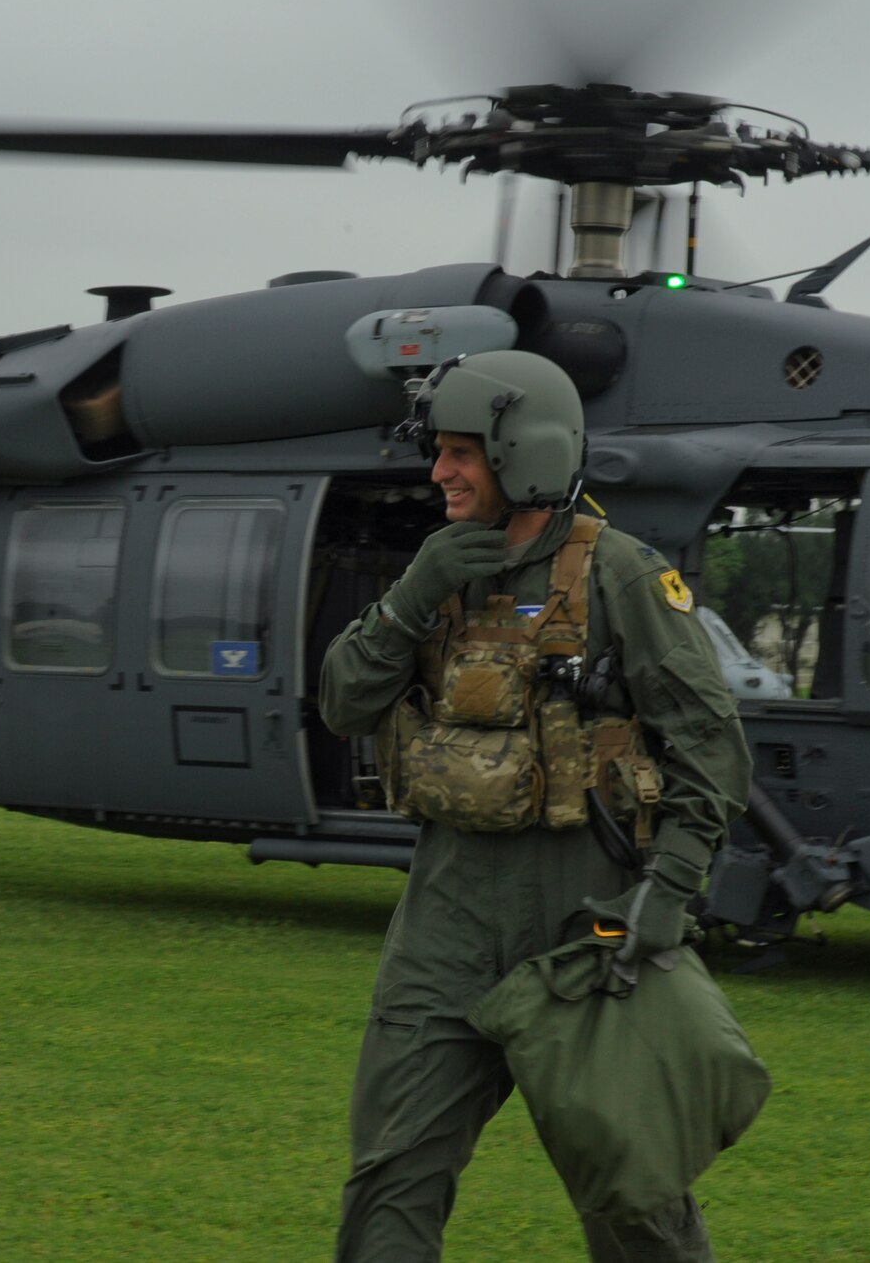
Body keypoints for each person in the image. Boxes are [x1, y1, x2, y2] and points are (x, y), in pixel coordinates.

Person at [321, 350, 751, 1262]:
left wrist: (666, 893)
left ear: (525, 453)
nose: (439, 473)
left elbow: (711, 745)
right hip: (446, 920)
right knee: (392, 1178)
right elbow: (343, 704)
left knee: (632, 1194)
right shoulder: (434, 579)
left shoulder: (624, 579)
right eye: (437, 453)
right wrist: (413, 593)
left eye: (460, 455)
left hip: (586, 922)